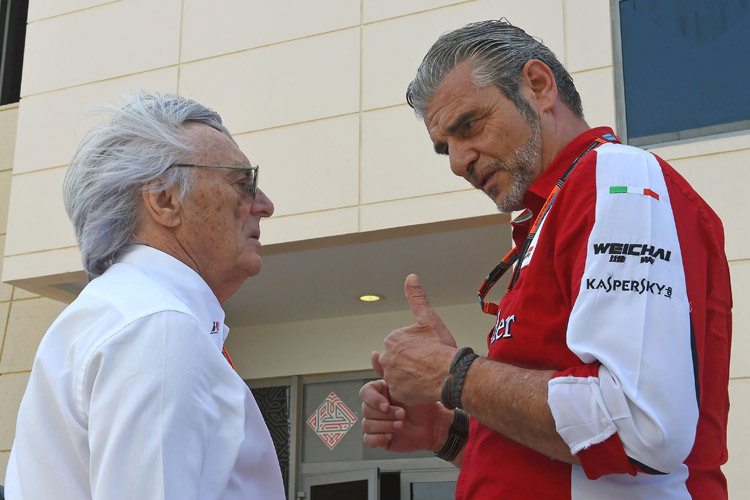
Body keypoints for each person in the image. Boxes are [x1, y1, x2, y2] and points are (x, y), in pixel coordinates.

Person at [360, 19, 731, 499]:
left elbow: (641, 425)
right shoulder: (558, 206)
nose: (457, 162)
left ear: (538, 86)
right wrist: (448, 433)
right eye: (443, 147)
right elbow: (563, 460)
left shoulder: (616, 178)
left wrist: (454, 374)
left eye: (468, 125)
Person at [4, 92, 286, 499]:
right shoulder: (158, 325)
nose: (264, 205)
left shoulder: (126, 313)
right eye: (243, 182)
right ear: (165, 201)